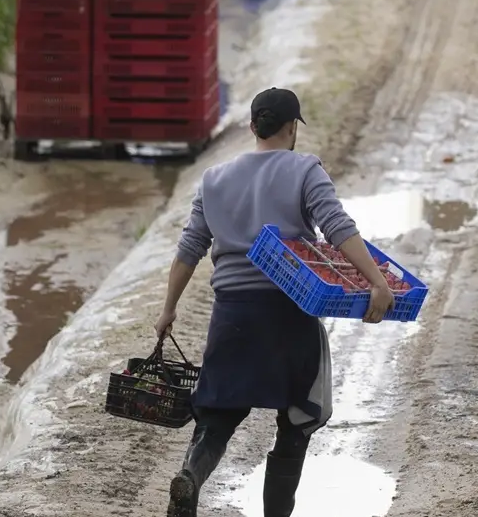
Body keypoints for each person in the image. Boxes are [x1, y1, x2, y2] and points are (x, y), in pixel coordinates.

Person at [157, 88, 394, 517]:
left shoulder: (213, 179)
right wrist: (378, 282)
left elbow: (189, 248)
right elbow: (337, 228)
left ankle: (190, 476)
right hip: (289, 310)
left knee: (218, 415)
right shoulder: (305, 169)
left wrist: (168, 309)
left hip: (231, 312)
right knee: (299, 419)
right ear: (291, 128)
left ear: (252, 127)